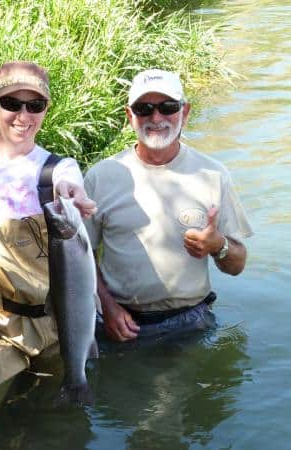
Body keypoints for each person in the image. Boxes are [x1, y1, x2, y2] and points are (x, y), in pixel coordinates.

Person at [0, 61, 96, 393]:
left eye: (34, 105)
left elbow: (70, 185)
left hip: (57, 323)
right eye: (12, 104)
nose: (23, 115)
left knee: (59, 425)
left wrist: (73, 195)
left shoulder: (60, 169)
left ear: (45, 109)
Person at [84, 69, 253, 342]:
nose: (156, 118)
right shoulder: (101, 176)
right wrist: (107, 305)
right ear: (130, 116)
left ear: (185, 112)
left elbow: (237, 265)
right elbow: (81, 255)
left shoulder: (213, 174)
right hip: (118, 323)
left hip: (192, 322)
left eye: (168, 107)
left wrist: (217, 245)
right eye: (144, 108)